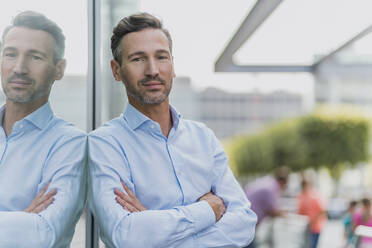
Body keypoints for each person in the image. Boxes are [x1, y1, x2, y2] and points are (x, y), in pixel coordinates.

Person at [88, 12, 257, 248]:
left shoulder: (203, 138)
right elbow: (125, 235)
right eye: (138, 59)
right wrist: (208, 210)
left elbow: (244, 223)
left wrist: (156, 231)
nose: (152, 70)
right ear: (116, 70)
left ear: (173, 65)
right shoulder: (102, 145)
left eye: (161, 57)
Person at [0, 11, 86, 247]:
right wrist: (21, 222)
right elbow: (27, 232)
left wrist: (31, 227)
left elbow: (43, 234)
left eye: (35, 57)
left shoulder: (71, 145)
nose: (19, 68)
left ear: (59, 69)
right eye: (10, 54)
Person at [244, 167, 289, 248]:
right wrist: (284, 214)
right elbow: (272, 211)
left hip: (246, 219)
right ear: (283, 182)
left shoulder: (268, 182)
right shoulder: (271, 188)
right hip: (248, 223)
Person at [297, 178, 327, 248]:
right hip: (304, 228)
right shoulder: (301, 196)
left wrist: (312, 221)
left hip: (314, 228)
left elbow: (322, 211)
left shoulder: (314, 196)